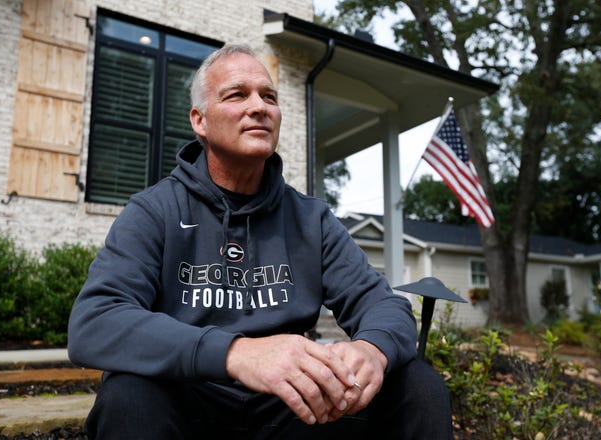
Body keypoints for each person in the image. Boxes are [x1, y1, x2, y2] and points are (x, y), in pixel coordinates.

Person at [68, 43, 452, 439]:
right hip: (189, 402)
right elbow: (95, 321)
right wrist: (236, 353)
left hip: (292, 409)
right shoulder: (155, 210)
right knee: (127, 396)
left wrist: (372, 350)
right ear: (200, 120)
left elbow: (382, 304)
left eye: (269, 96)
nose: (260, 107)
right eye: (237, 95)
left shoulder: (311, 219)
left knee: (417, 385)